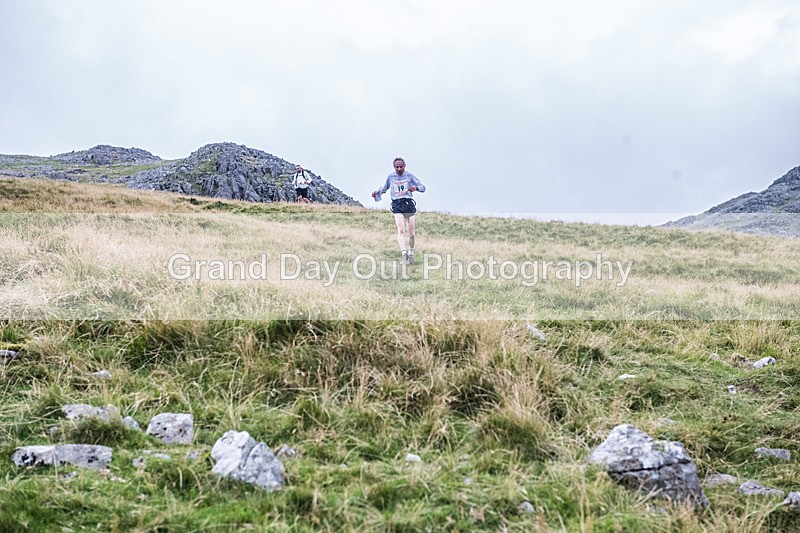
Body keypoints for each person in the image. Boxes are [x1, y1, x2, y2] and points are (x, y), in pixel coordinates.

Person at [372, 157, 426, 264]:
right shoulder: (390, 177)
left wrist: (415, 188)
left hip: (408, 203)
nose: (399, 169)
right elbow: (384, 188)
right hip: (397, 205)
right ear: (394, 167)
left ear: (404, 166)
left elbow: (423, 187)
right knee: (401, 230)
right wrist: (376, 193)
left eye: (401, 167)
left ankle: (411, 253)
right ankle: (403, 254)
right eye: (397, 167)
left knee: (411, 234)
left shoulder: (409, 176)